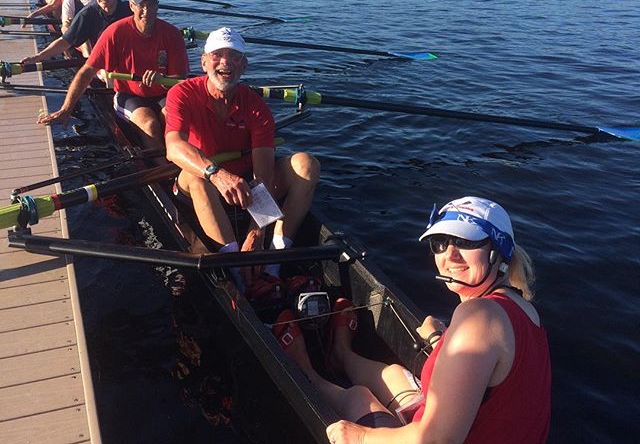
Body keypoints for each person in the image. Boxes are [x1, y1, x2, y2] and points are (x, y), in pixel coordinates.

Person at [275, 196, 551, 443]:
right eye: (440, 243)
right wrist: (437, 340)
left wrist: (359, 436)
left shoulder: (477, 317)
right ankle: (341, 354)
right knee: (395, 373)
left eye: (466, 242)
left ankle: (308, 374)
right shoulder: (521, 308)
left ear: (498, 249)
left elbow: (436, 440)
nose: (450, 254)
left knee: (359, 397)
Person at [164, 27, 320, 277]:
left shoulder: (257, 107)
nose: (225, 62)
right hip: (201, 183)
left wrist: (256, 231)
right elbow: (173, 147)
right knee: (196, 176)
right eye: (217, 55)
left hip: (244, 188)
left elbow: (263, 175)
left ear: (244, 66)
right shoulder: (181, 93)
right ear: (204, 62)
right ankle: (234, 267)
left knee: (306, 164)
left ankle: (273, 262)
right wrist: (217, 174)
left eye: (234, 56)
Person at [37, 0, 189, 151]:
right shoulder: (115, 32)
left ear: (157, 6)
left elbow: (179, 80)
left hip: (163, 94)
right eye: (141, 5)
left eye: (151, 5)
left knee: (173, 119)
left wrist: (163, 81)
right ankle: (164, 171)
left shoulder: (172, 34)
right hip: (129, 95)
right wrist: (67, 109)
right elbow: (87, 71)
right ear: (131, 6)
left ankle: (179, 165)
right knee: (150, 123)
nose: (147, 11)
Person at [22, 0, 132, 65]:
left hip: (128, 57)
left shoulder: (130, 9)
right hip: (103, 61)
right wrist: (38, 57)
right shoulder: (87, 14)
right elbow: (65, 42)